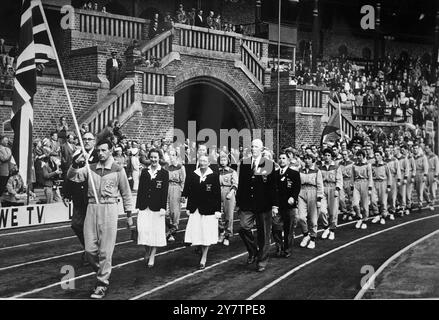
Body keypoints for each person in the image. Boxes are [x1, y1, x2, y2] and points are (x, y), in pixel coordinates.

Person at [67, 139, 133, 299]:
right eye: (99, 151)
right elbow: (72, 177)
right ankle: (103, 272)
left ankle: (101, 284)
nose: (101, 153)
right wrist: (75, 164)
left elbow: (126, 193)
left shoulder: (118, 170)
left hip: (109, 209)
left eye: (104, 150)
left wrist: (129, 215)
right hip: (91, 208)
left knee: (105, 251)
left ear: (111, 151)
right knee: (90, 250)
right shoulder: (90, 168)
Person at [236, 139, 278, 272]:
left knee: (264, 234)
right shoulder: (244, 163)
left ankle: (262, 261)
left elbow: (273, 187)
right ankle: (253, 251)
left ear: (261, 149)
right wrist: (239, 203)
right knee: (243, 227)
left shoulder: (268, 164)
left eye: (256, 147)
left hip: (263, 204)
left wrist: (274, 205)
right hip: (247, 203)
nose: (253, 149)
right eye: (252, 146)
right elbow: (241, 185)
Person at [182, 154, 221, 269]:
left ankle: (204, 256)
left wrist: (218, 210)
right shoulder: (193, 174)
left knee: (207, 233)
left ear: (209, 163)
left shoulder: (213, 176)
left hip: (209, 209)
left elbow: (217, 194)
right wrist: (188, 205)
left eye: (205, 161)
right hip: (195, 208)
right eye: (201, 161)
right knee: (198, 232)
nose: (203, 163)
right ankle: (200, 248)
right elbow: (188, 189)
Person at [136, 148, 169, 267]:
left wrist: (163, 207)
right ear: (149, 158)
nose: (154, 159)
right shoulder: (144, 172)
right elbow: (141, 190)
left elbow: (164, 192)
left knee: (155, 231)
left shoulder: (164, 173)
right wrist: (138, 205)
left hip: (157, 207)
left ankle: (153, 255)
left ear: (159, 158)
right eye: (152, 157)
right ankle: (147, 250)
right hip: (144, 206)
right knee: (143, 230)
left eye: (156, 157)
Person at [273, 151, 300, 257]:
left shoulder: (294, 173)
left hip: (289, 205)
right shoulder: (274, 174)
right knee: (276, 227)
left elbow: (297, 188)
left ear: (288, 161)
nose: (281, 160)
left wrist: (293, 197)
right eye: (280, 158)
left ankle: (287, 249)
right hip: (277, 205)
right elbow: (272, 190)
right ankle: (279, 246)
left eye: (284, 158)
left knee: (288, 228)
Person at [298, 154, 324, 250]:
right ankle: (306, 235)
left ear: (312, 160)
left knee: (313, 219)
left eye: (309, 159)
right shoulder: (300, 170)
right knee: (301, 217)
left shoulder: (317, 171)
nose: (307, 161)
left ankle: (312, 238)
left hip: (313, 192)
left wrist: (319, 199)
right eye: (305, 158)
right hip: (301, 192)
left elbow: (320, 185)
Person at [319, 148, 343, 240]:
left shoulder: (336, 167)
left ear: (331, 157)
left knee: (333, 211)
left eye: (329, 155)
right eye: (325, 155)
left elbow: (339, 179)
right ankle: (325, 228)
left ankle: (332, 229)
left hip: (333, 188)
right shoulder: (320, 168)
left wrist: (337, 189)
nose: (327, 157)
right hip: (323, 189)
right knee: (322, 211)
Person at [165, 148, 186, 242]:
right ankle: (169, 229)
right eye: (170, 155)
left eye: (173, 155)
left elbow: (183, 181)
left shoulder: (181, 167)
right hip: (167, 188)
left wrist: (182, 193)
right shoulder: (166, 167)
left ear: (177, 157)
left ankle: (172, 231)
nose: (171, 157)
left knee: (174, 211)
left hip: (176, 188)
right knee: (165, 211)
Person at [218, 152, 238, 247]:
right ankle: (221, 231)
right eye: (221, 160)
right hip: (218, 192)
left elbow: (235, 184)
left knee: (228, 215)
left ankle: (227, 235)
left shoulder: (232, 171)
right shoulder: (216, 171)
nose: (223, 162)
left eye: (225, 160)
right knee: (218, 215)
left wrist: (231, 192)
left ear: (228, 161)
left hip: (228, 192)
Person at [352, 149, 373, 230]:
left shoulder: (368, 165)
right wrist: (352, 186)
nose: (359, 157)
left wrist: (370, 187)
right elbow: (352, 177)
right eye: (358, 155)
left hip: (365, 183)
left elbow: (370, 176)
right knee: (355, 204)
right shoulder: (354, 165)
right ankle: (359, 217)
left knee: (364, 205)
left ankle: (365, 220)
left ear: (363, 156)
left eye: (360, 155)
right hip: (356, 183)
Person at [370, 150, 392, 225]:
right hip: (374, 183)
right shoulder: (372, 165)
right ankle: (376, 214)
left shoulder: (385, 165)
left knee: (383, 201)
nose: (376, 157)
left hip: (383, 183)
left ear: (381, 156)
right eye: (375, 155)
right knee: (373, 200)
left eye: (377, 155)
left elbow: (389, 175)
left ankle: (383, 216)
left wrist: (389, 185)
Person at [339, 149, 355, 221]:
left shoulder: (352, 163)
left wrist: (352, 183)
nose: (344, 156)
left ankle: (351, 212)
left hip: (349, 180)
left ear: (348, 155)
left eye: (345, 154)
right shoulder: (340, 163)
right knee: (341, 198)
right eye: (343, 154)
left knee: (350, 197)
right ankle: (345, 212)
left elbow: (353, 174)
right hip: (342, 180)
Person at [413, 144, 429, 209]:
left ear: (418, 149)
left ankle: (420, 203)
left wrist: (425, 175)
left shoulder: (423, 157)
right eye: (414, 148)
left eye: (416, 148)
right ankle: (428, 200)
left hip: (421, 173)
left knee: (420, 190)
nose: (415, 149)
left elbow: (426, 167)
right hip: (415, 174)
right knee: (419, 190)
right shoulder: (413, 157)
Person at [425, 144, 439, 211]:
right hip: (425, 173)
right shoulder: (425, 156)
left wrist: (436, 176)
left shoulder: (435, 156)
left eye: (427, 148)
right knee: (424, 188)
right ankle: (428, 200)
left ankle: (432, 203)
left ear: (430, 149)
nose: (426, 149)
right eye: (425, 148)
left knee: (432, 189)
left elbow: (437, 167)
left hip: (432, 173)